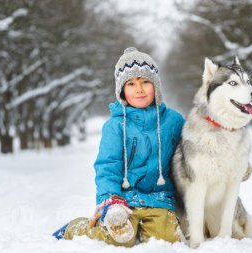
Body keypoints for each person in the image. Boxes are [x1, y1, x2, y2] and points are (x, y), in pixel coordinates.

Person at [52, 47, 185, 247]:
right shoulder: (115, 126)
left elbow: (194, 150)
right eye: (131, 84)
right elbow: (108, 166)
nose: (139, 89)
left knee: (166, 241)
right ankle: (77, 228)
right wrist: (110, 199)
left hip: (161, 199)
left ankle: (147, 228)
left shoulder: (173, 121)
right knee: (117, 238)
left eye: (145, 82)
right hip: (123, 200)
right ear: (122, 90)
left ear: (156, 85)